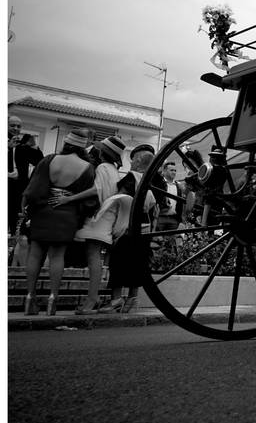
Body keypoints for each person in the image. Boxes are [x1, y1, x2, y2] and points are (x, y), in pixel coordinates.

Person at [20, 128, 96, 315]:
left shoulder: (49, 159)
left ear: (66, 143)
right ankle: (52, 300)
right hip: (66, 213)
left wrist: (25, 207)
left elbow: (33, 187)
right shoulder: (87, 167)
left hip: (43, 210)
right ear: (83, 147)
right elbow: (91, 198)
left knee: (35, 254)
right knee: (57, 256)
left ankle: (30, 298)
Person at [69, 135, 126, 314]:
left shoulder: (102, 167)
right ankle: (93, 298)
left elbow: (97, 190)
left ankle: (91, 300)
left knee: (93, 256)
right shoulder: (114, 170)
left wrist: (70, 198)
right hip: (108, 215)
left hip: (99, 215)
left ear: (101, 152)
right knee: (96, 257)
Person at [101, 143, 157, 313]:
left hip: (127, 225)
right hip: (145, 227)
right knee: (139, 263)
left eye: (133, 160)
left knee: (118, 262)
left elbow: (120, 196)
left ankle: (116, 299)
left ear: (138, 162)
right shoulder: (150, 181)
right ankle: (133, 298)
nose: (131, 163)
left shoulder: (130, 178)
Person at [155, 161, 184, 231]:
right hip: (160, 218)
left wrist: (180, 219)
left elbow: (180, 204)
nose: (174, 172)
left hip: (174, 219)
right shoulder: (159, 184)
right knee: (158, 240)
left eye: (175, 170)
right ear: (164, 171)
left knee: (173, 240)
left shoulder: (178, 186)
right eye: (171, 170)